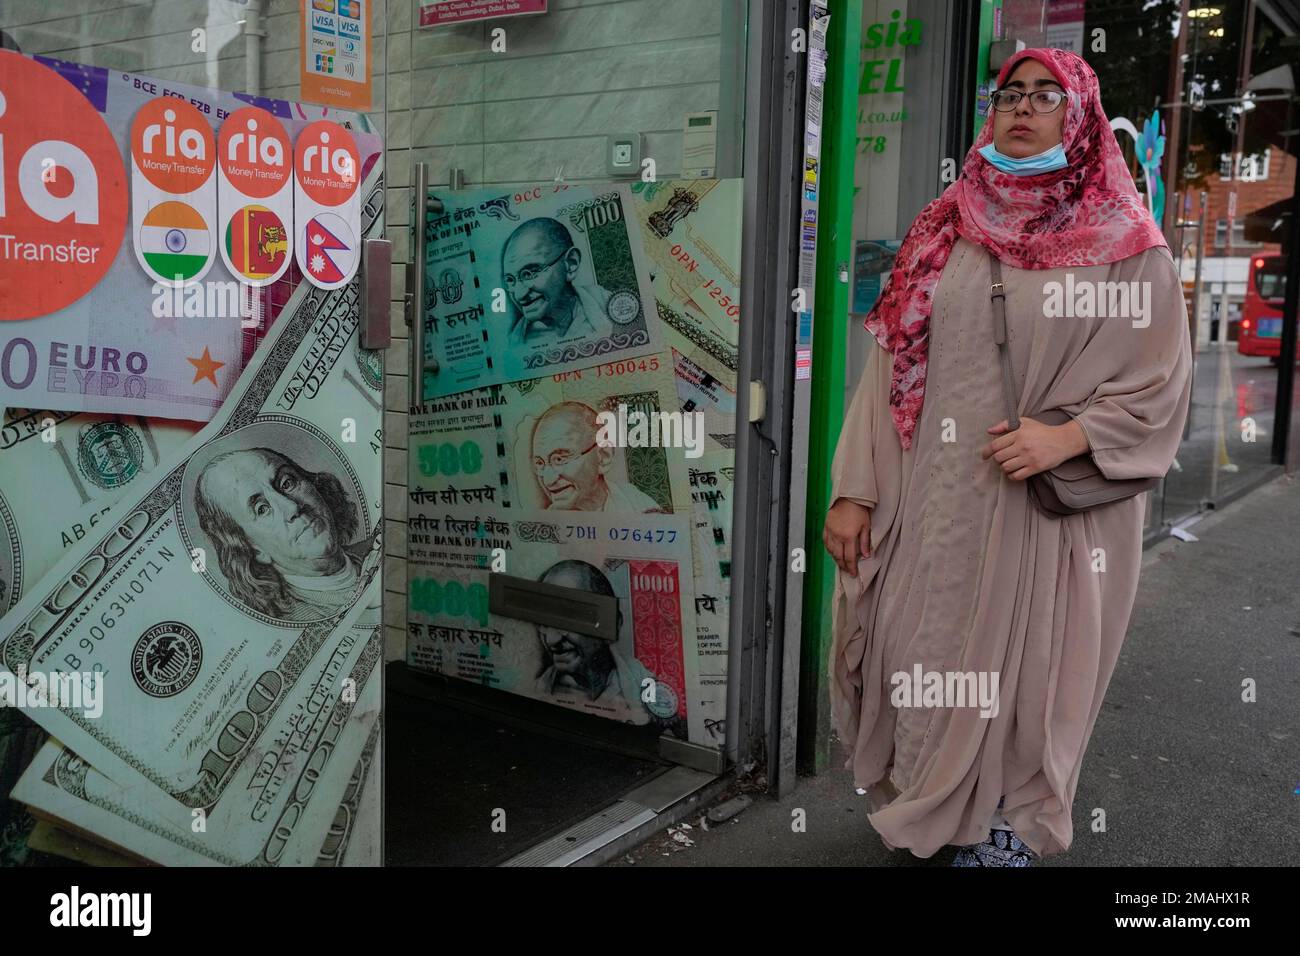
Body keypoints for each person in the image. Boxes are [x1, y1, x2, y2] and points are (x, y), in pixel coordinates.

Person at [822, 49, 1192, 867]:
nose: (1023, 107)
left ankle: (999, 827)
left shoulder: (1125, 241)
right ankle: (925, 811)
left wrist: (1069, 436)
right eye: (1010, 94)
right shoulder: (946, 222)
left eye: (1046, 96)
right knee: (916, 649)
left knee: (1027, 670)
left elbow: (1161, 384)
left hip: (1040, 512)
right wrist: (856, 490)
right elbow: (889, 366)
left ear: (1081, 115)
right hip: (935, 497)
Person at [195, 447, 370, 622]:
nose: (292, 507)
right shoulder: (298, 621)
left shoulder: (376, 547)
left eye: (287, 483)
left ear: (314, 485)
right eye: (262, 509)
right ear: (253, 549)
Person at [532, 560, 655, 725]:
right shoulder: (532, 691)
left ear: (611, 625)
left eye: (568, 619)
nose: (552, 640)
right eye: (545, 621)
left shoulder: (650, 690)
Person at [531, 402, 663, 512]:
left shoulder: (638, 505)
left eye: (559, 459)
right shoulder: (545, 527)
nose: (548, 480)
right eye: (540, 463)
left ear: (603, 457)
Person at [502, 218, 615, 347]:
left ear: (571, 264)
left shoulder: (609, 307)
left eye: (530, 273)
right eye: (510, 280)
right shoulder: (515, 344)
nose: (519, 295)